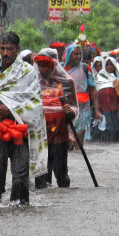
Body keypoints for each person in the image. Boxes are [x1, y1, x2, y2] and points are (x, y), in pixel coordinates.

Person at [0, 31, 47, 205]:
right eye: (2, 48)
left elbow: (34, 101)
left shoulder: (28, 72)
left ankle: (19, 208)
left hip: (19, 131)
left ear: (17, 49)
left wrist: (12, 109)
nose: (5, 53)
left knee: (20, 176)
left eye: (10, 49)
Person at [33, 49, 77, 189]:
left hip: (59, 134)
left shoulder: (66, 82)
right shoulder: (35, 82)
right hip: (40, 135)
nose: (40, 69)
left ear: (54, 64)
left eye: (44, 65)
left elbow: (74, 107)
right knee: (41, 176)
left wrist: (70, 112)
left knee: (61, 173)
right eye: (39, 65)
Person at [64, 44, 101, 145]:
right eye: (75, 54)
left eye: (80, 54)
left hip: (83, 108)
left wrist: (97, 111)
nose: (78, 56)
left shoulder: (85, 68)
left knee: (79, 140)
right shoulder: (62, 70)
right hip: (67, 108)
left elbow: (93, 90)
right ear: (69, 55)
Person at [91, 55, 119, 143]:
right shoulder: (99, 77)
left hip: (116, 107)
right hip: (104, 107)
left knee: (117, 126)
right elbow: (95, 91)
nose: (109, 66)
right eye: (107, 64)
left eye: (111, 65)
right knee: (107, 127)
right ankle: (107, 141)